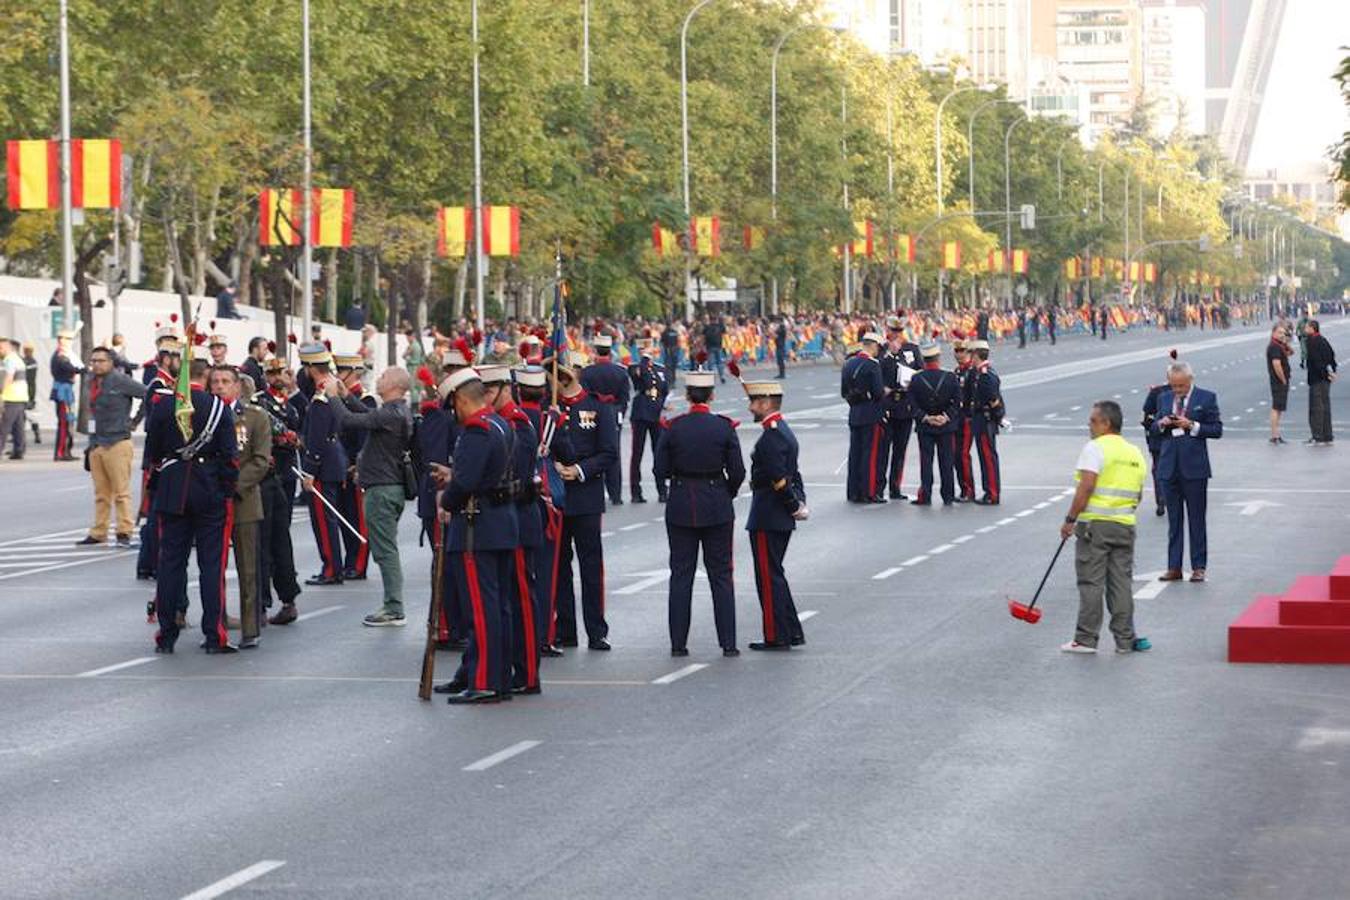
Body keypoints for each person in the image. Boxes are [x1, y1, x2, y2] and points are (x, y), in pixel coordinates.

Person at [145, 353, 239, 654]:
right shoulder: (217, 408)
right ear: (206, 376)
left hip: (173, 491)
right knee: (212, 566)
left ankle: (166, 634)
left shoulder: (163, 407)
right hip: (209, 489)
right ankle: (214, 635)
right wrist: (226, 489)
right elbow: (230, 457)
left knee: (170, 565)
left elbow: (152, 454)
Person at [435, 367, 519, 704]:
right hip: (499, 523)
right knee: (498, 607)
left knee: (482, 609)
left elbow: (467, 482)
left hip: (477, 527)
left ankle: (485, 680)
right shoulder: (499, 424)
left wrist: (447, 500)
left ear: (459, 400)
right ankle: (495, 676)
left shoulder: (476, 431)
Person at [653, 369, 745, 657]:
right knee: (722, 575)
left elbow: (659, 469)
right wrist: (726, 492)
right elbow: (738, 471)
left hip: (681, 502)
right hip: (716, 501)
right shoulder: (723, 427)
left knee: (681, 575)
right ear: (712, 396)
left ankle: (678, 643)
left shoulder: (674, 427)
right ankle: (728, 642)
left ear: (687, 396)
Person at [1058, 401, 1151, 655]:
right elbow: (1138, 494)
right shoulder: (1134, 452)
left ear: (1106, 423)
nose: (1089, 425)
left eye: (1093, 421)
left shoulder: (1095, 448)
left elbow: (1087, 486)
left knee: (1091, 582)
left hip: (1095, 526)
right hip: (1124, 525)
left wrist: (1070, 519)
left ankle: (1086, 639)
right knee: (1121, 583)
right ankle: (1125, 640)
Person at [329, 366, 414, 626]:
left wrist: (333, 397)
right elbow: (367, 416)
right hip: (386, 487)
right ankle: (393, 605)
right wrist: (346, 396)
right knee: (385, 548)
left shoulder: (391, 413)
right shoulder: (394, 411)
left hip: (382, 490)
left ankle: (394, 608)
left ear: (396, 385)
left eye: (384, 377)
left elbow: (349, 421)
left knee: (385, 550)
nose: (379, 378)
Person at [480, 365, 542, 694]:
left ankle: (528, 673)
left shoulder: (517, 424)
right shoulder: (497, 423)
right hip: (503, 520)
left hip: (518, 516)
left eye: (491, 391)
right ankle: (502, 669)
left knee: (521, 601)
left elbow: (513, 475)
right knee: (502, 600)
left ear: (506, 389)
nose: (486, 398)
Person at [550, 351, 618, 651]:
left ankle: (596, 630)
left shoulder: (598, 406)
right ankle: (565, 629)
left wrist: (579, 470)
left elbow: (609, 452)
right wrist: (552, 466)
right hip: (556, 496)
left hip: (586, 494)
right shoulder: (550, 408)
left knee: (591, 566)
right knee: (559, 566)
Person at [742, 379, 807, 651]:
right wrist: (799, 502)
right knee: (775, 574)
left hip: (768, 514)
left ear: (766, 403)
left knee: (768, 579)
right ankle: (791, 631)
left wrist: (794, 505)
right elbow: (795, 474)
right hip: (778, 514)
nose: (750, 408)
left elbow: (779, 479)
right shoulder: (782, 430)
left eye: (754, 402)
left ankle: (776, 635)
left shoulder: (771, 437)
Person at [212, 368, 271, 648]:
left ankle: (250, 628)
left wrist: (232, 485)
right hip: (213, 502)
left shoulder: (255, 417)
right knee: (213, 568)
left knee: (248, 569)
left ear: (237, 386)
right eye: (215, 382)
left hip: (243, 500)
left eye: (225, 382)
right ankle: (216, 624)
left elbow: (260, 460)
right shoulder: (206, 416)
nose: (219, 386)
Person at [1153, 360, 1222, 583]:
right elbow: (1153, 427)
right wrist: (1162, 423)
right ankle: (1174, 566)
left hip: (1194, 468)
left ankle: (1199, 567)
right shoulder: (1164, 398)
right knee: (1174, 521)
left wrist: (1192, 425)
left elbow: (1217, 429)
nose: (1177, 390)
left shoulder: (1206, 397)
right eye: (1173, 386)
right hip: (1168, 466)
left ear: (1190, 380)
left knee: (1196, 519)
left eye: (1181, 386)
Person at [78, 346, 147, 546]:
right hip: (96, 442)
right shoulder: (90, 381)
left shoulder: (120, 380)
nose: (96, 365)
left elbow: (148, 394)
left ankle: (124, 531)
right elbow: (91, 411)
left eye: (101, 361)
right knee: (101, 493)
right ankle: (99, 531)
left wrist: (134, 421)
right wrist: (90, 443)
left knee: (121, 492)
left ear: (110, 363)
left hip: (117, 441)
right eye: (93, 361)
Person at [253, 357, 304, 626]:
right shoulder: (260, 402)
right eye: (271, 373)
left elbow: (301, 434)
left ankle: (288, 598)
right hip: (265, 475)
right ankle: (260, 604)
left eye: (281, 372)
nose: (276, 377)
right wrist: (286, 438)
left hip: (286, 476)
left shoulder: (293, 405)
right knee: (262, 542)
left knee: (281, 539)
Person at [296, 342, 349, 586]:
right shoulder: (334, 388)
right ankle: (334, 566)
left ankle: (331, 568)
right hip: (334, 462)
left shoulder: (320, 398)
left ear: (310, 368)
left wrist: (309, 471)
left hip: (323, 467)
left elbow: (316, 440)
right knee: (329, 519)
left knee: (324, 521)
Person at [333, 354, 374, 581]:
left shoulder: (366, 400)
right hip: (341, 465)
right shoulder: (337, 399)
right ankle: (349, 560)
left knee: (358, 519)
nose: (337, 375)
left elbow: (366, 436)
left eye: (341, 371)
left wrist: (358, 463)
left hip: (355, 467)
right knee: (345, 517)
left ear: (353, 373)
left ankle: (358, 564)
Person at [578, 334, 630, 506]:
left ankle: (595, 491)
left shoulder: (587, 372)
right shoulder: (620, 372)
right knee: (613, 453)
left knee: (593, 453)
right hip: (613, 414)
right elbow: (624, 399)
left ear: (595, 351)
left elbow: (584, 397)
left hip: (592, 415)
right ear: (610, 351)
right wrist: (618, 413)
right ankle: (616, 494)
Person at [907, 343, 960, 506]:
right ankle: (948, 495)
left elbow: (912, 404)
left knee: (926, 462)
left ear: (924, 359)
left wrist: (926, 417)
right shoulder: (950, 377)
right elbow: (957, 402)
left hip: (926, 426)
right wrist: (946, 416)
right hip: (945, 426)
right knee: (947, 462)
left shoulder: (916, 379)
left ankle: (925, 495)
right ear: (938, 358)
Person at [840, 332, 885, 504]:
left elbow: (844, 392)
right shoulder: (873, 365)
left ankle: (853, 491)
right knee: (870, 454)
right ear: (873, 346)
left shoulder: (848, 364)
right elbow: (878, 392)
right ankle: (868, 491)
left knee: (855, 453)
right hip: (871, 414)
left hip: (854, 412)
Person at [879, 317, 920, 501]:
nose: (895, 335)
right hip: (888, 404)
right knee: (883, 450)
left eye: (898, 331)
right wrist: (890, 354)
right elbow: (877, 373)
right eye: (892, 331)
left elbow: (920, 371)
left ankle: (895, 487)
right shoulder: (882, 350)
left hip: (905, 403)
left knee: (900, 450)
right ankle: (878, 488)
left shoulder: (911, 349)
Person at [627, 340, 668, 503]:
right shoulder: (635, 367)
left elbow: (664, 389)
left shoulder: (660, 368)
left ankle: (662, 490)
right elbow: (644, 380)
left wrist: (661, 404)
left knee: (659, 452)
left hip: (656, 413)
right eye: (644, 350)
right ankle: (635, 492)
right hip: (641, 413)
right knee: (637, 453)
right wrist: (644, 358)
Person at [967, 339, 1003, 505]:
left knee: (988, 458)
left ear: (976, 355)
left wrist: (996, 417)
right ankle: (988, 490)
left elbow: (994, 400)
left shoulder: (986, 375)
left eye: (972, 354)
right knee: (984, 457)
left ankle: (992, 493)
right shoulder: (980, 373)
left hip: (985, 420)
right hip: (981, 420)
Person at [50, 329, 82, 461]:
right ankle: (60, 452)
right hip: (63, 392)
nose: (68, 342)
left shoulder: (65, 354)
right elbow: (70, 368)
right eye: (66, 339)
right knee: (64, 423)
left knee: (68, 422)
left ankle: (66, 450)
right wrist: (85, 369)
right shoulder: (60, 356)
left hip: (67, 390)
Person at [1304, 319, 1337, 446]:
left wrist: (1324, 373)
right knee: (1325, 406)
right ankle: (1327, 434)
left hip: (1317, 379)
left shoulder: (1312, 342)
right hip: (1325, 379)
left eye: (1306, 327)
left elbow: (1316, 361)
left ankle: (1317, 436)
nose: (1304, 330)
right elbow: (1331, 355)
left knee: (1316, 408)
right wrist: (1332, 371)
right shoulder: (1323, 340)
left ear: (1312, 328)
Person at [0, 337, 27, 460]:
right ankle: (18, 450)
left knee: (3, 426)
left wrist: (1, 393)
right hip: (20, 397)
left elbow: (9, 378)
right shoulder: (17, 358)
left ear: (6, 348)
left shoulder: (9, 360)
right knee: (18, 426)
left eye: (0, 348)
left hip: (11, 396)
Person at [1266, 324, 1291, 444]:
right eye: (1280, 332)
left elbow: (1290, 353)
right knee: (1276, 407)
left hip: (1279, 380)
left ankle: (1276, 434)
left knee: (1279, 407)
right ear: (1273, 333)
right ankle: (1275, 435)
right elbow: (1276, 364)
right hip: (1278, 381)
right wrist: (1283, 379)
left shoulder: (1279, 345)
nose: (1282, 335)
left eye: (1283, 333)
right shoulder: (1274, 347)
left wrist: (1285, 343)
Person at [21, 342, 39, 446]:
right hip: (29, 391)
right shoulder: (32, 361)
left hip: (27, 392)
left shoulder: (28, 362)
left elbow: (27, 377)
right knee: (29, 415)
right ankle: (36, 434)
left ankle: (36, 434)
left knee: (28, 415)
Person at [704, 316, 727, 383]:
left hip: (710, 347)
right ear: (716, 319)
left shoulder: (707, 327)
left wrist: (703, 346)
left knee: (710, 363)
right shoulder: (720, 326)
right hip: (718, 346)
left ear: (710, 320)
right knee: (719, 362)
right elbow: (725, 334)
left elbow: (703, 337)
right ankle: (722, 376)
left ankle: (711, 378)